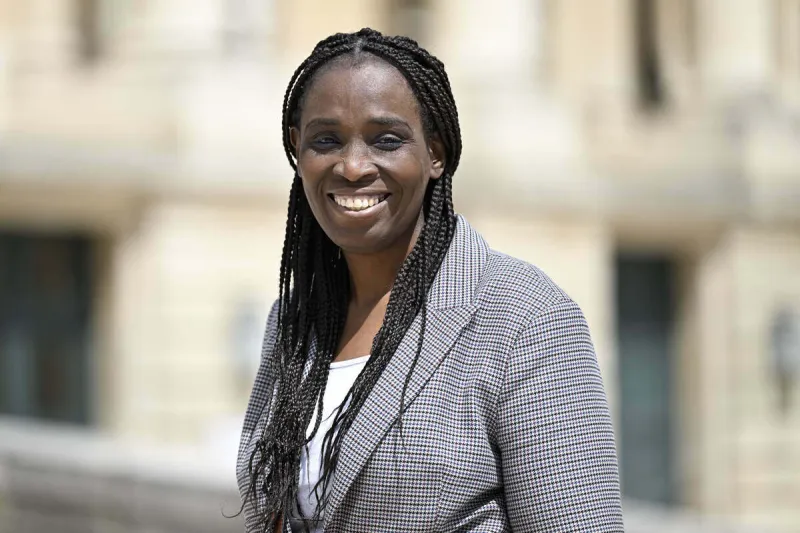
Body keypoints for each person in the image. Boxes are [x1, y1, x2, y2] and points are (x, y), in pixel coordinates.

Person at [236, 28, 624, 533]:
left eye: (386, 140)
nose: (352, 166)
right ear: (297, 148)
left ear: (435, 153)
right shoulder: (292, 321)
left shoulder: (525, 318)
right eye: (326, 140)